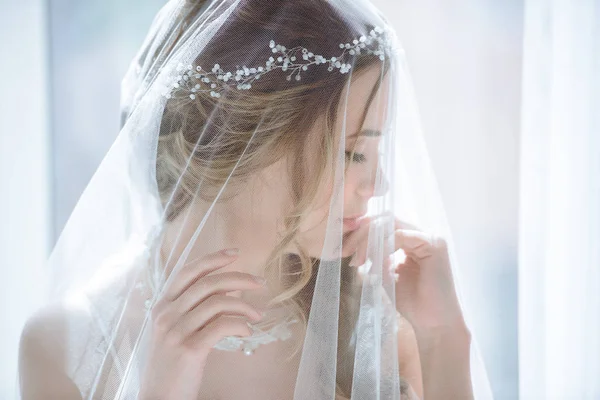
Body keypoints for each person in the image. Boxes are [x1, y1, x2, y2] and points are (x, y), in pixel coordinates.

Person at [18, 0, 492, 399]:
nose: (380, 185)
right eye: (352, 153)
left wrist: (444, 337)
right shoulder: (68, 345)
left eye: (375, 150)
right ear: (243, 140)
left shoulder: (384, 319)